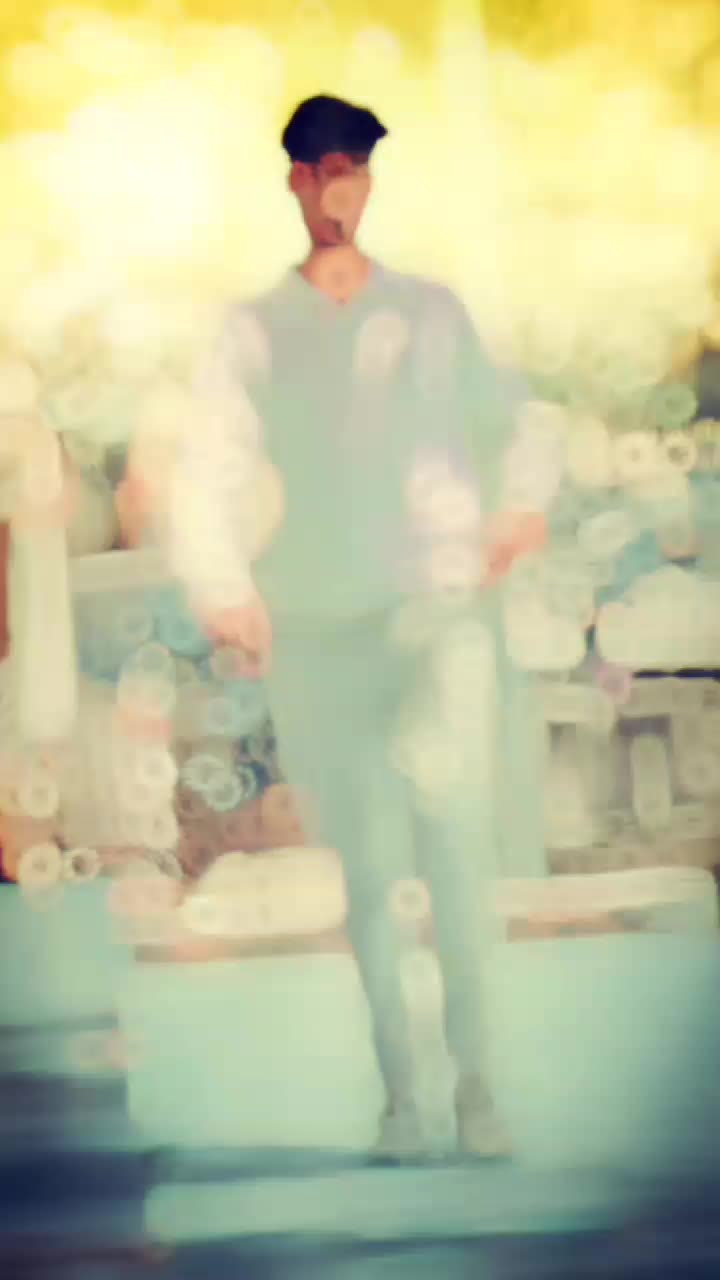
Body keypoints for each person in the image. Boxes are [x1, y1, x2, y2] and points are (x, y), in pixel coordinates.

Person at [168, 95, 547, 1160]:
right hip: (319, 621)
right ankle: (404, 1098)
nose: (341, 187)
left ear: (371, 181)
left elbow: (516, 425)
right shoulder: (256, 330)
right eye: (324, 168)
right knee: (369, 869)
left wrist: (516, 513)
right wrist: (222, 583)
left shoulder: (431, 313)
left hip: (435, 614)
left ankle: (480, 1088)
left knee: (455, 847)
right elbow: (210, 464)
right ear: (296, 179)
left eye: (356, 168)